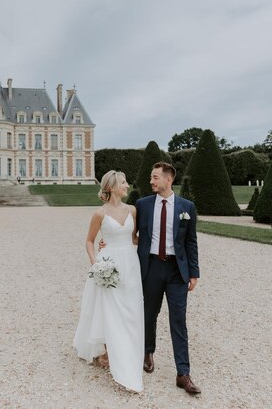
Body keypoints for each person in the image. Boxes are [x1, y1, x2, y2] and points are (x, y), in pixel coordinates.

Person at [73, 170, 144, 393]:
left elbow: (133, 238)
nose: (127, 185)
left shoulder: (132, 209)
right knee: (110, 308)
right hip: (108, 263)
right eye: (123, 182)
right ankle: (107, 349)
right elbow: (89, 241)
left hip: (130, 264)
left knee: (130, 307)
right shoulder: (99, 214)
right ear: (112, 186)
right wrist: (96, 263)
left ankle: (129, 348)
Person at [136, 162, 201, 394]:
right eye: (151, 178)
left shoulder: (187, 207)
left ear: (168, 179)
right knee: (149, 313)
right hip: (152, 267)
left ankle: (183, 373)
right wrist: (108, 243)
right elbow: (131, 234)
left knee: (178, 320)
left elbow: (191, 241)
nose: (151, 181)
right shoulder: (142, 205)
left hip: (177, 271)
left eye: (155, 178)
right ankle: (147, 351)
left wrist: (194, 272)